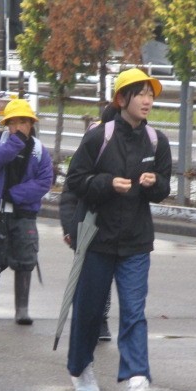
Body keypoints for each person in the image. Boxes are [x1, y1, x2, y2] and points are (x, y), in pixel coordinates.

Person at [64, 68, 171, 391]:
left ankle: (137, 379)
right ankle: (81, 368)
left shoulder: (156, 140)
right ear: (122, 99)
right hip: (97, 239)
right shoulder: (99, 137)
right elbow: (76, 180)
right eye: (141, 94)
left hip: (136, 242)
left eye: (150, 94)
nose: (147, 100)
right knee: (89, 310)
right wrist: (107, 183)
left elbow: (164, 188)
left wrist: (155, 184)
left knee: (134, 312)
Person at [0, 98, 53, 325]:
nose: (17, 127)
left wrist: (16, 194)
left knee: (26, 257)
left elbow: (45, 181)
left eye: (23, 122)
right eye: (12, 122)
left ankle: (22, 308)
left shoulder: (39, 150)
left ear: (31, 124)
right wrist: (12, 146)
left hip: (24, 213)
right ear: (6, 125)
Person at [59, 105, 119, 342]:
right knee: (87, 278)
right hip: (86, 227)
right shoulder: (88, 152)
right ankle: (86, 320)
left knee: (106, 277)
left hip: (114, 228)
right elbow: (69, 196)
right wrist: (69, 227)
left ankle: (101, 319)